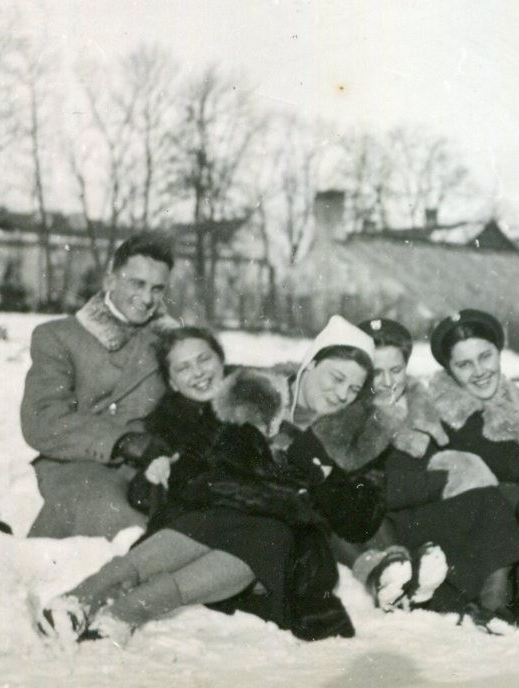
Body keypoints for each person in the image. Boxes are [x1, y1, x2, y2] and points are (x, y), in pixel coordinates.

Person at [37, 326, 377, 644]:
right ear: (311, 363)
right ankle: (85, 598)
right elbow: (204, 471)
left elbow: (357, 516)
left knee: (267, 531)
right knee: (241, 519)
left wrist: (317, 474)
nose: (341, 394)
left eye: (353, 389)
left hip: (277, 545)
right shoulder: (252, 397)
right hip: (218, 524)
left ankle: (124, 610)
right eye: (337, 378)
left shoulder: (351, 436)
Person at [349, 317, 519, 627]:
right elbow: (366, 489)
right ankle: (491, 599)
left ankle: (497, 601)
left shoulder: (420, 408)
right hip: (387, 522)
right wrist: (441, 480)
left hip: (426, 510)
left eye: (396, 370)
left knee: (487, 498)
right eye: (376, 373)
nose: (387, 382)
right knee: (487, 498)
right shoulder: (355, 417)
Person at [425, 309, 519, 631]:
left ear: (498, 352)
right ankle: (509, 595)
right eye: (464, 364)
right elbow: (510, 462)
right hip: (462, 525)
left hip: (503, 528)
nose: (480, 371)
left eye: (485, 357)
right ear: (449, 371)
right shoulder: (450, 410)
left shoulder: (514, 399)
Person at [21, 233, 178, 539]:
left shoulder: (172, 341)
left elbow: (209, 379)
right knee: (122, 526)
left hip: (153, 468)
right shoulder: (58, 336)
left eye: (157, 288)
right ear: (110, 282)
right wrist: (122, 441)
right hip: (78, 463)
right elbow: (42, 419)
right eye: (137, 284)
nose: (147, 299)